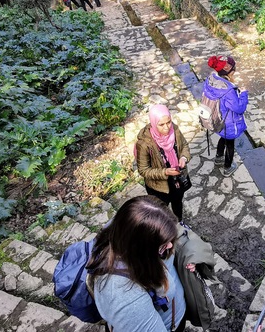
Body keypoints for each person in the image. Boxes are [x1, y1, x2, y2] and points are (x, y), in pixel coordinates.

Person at [86, 196, 189, 331]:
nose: (170, 246)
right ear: (141, 249)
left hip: (174, 314)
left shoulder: (127, 229)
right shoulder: (125, 298)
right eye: (163, 245)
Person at [136, 105, 192, 223]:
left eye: (168, 122)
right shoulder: (145, 144)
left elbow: (184, 146)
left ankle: (179, 223)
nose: (166, 128)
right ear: (153, 123)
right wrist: (164, 172)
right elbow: (143, 170)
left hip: (177, 180)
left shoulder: (175, 130)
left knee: (178, 203)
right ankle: (166, 231)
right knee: (160, 211)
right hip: (158, 187)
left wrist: (183, 157)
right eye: (161, 125)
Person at [202, 55, 249, 177]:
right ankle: (228, 167)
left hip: (217, 119)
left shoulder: (211, 79)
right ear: (230, 71)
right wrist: (243, 94)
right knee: (230, 144)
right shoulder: (228, 90)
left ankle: (218, 158)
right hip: (228, 122)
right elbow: (239, 108)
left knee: (223, 138)